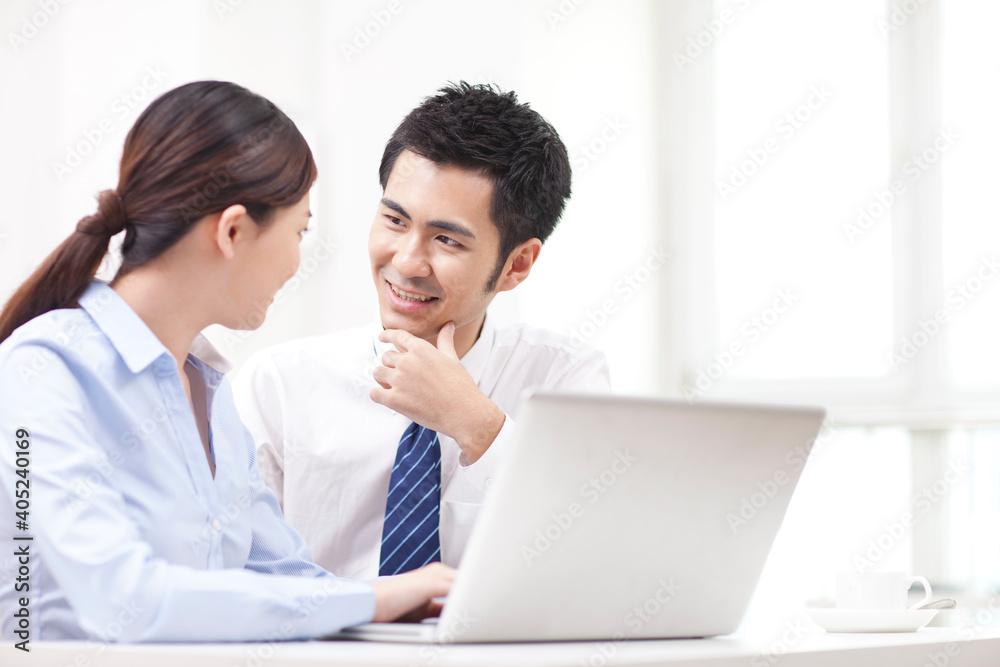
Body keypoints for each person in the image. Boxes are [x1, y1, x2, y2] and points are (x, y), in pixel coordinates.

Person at [0, 81, 451, 644]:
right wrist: (370, 598)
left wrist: (419, 600)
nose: (295, 263)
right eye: (299, 232)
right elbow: (126, 600)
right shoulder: (42, 370)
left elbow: (285, 578)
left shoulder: (210, 394)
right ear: (233, 230)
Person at [233, 82, 611, 581]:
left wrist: (476, 424)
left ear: (517, 264)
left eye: (447, 240)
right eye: (394, 219)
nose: (407, 262)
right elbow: (235, 579)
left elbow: (588, 564)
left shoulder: (563, 380)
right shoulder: (278, 385)